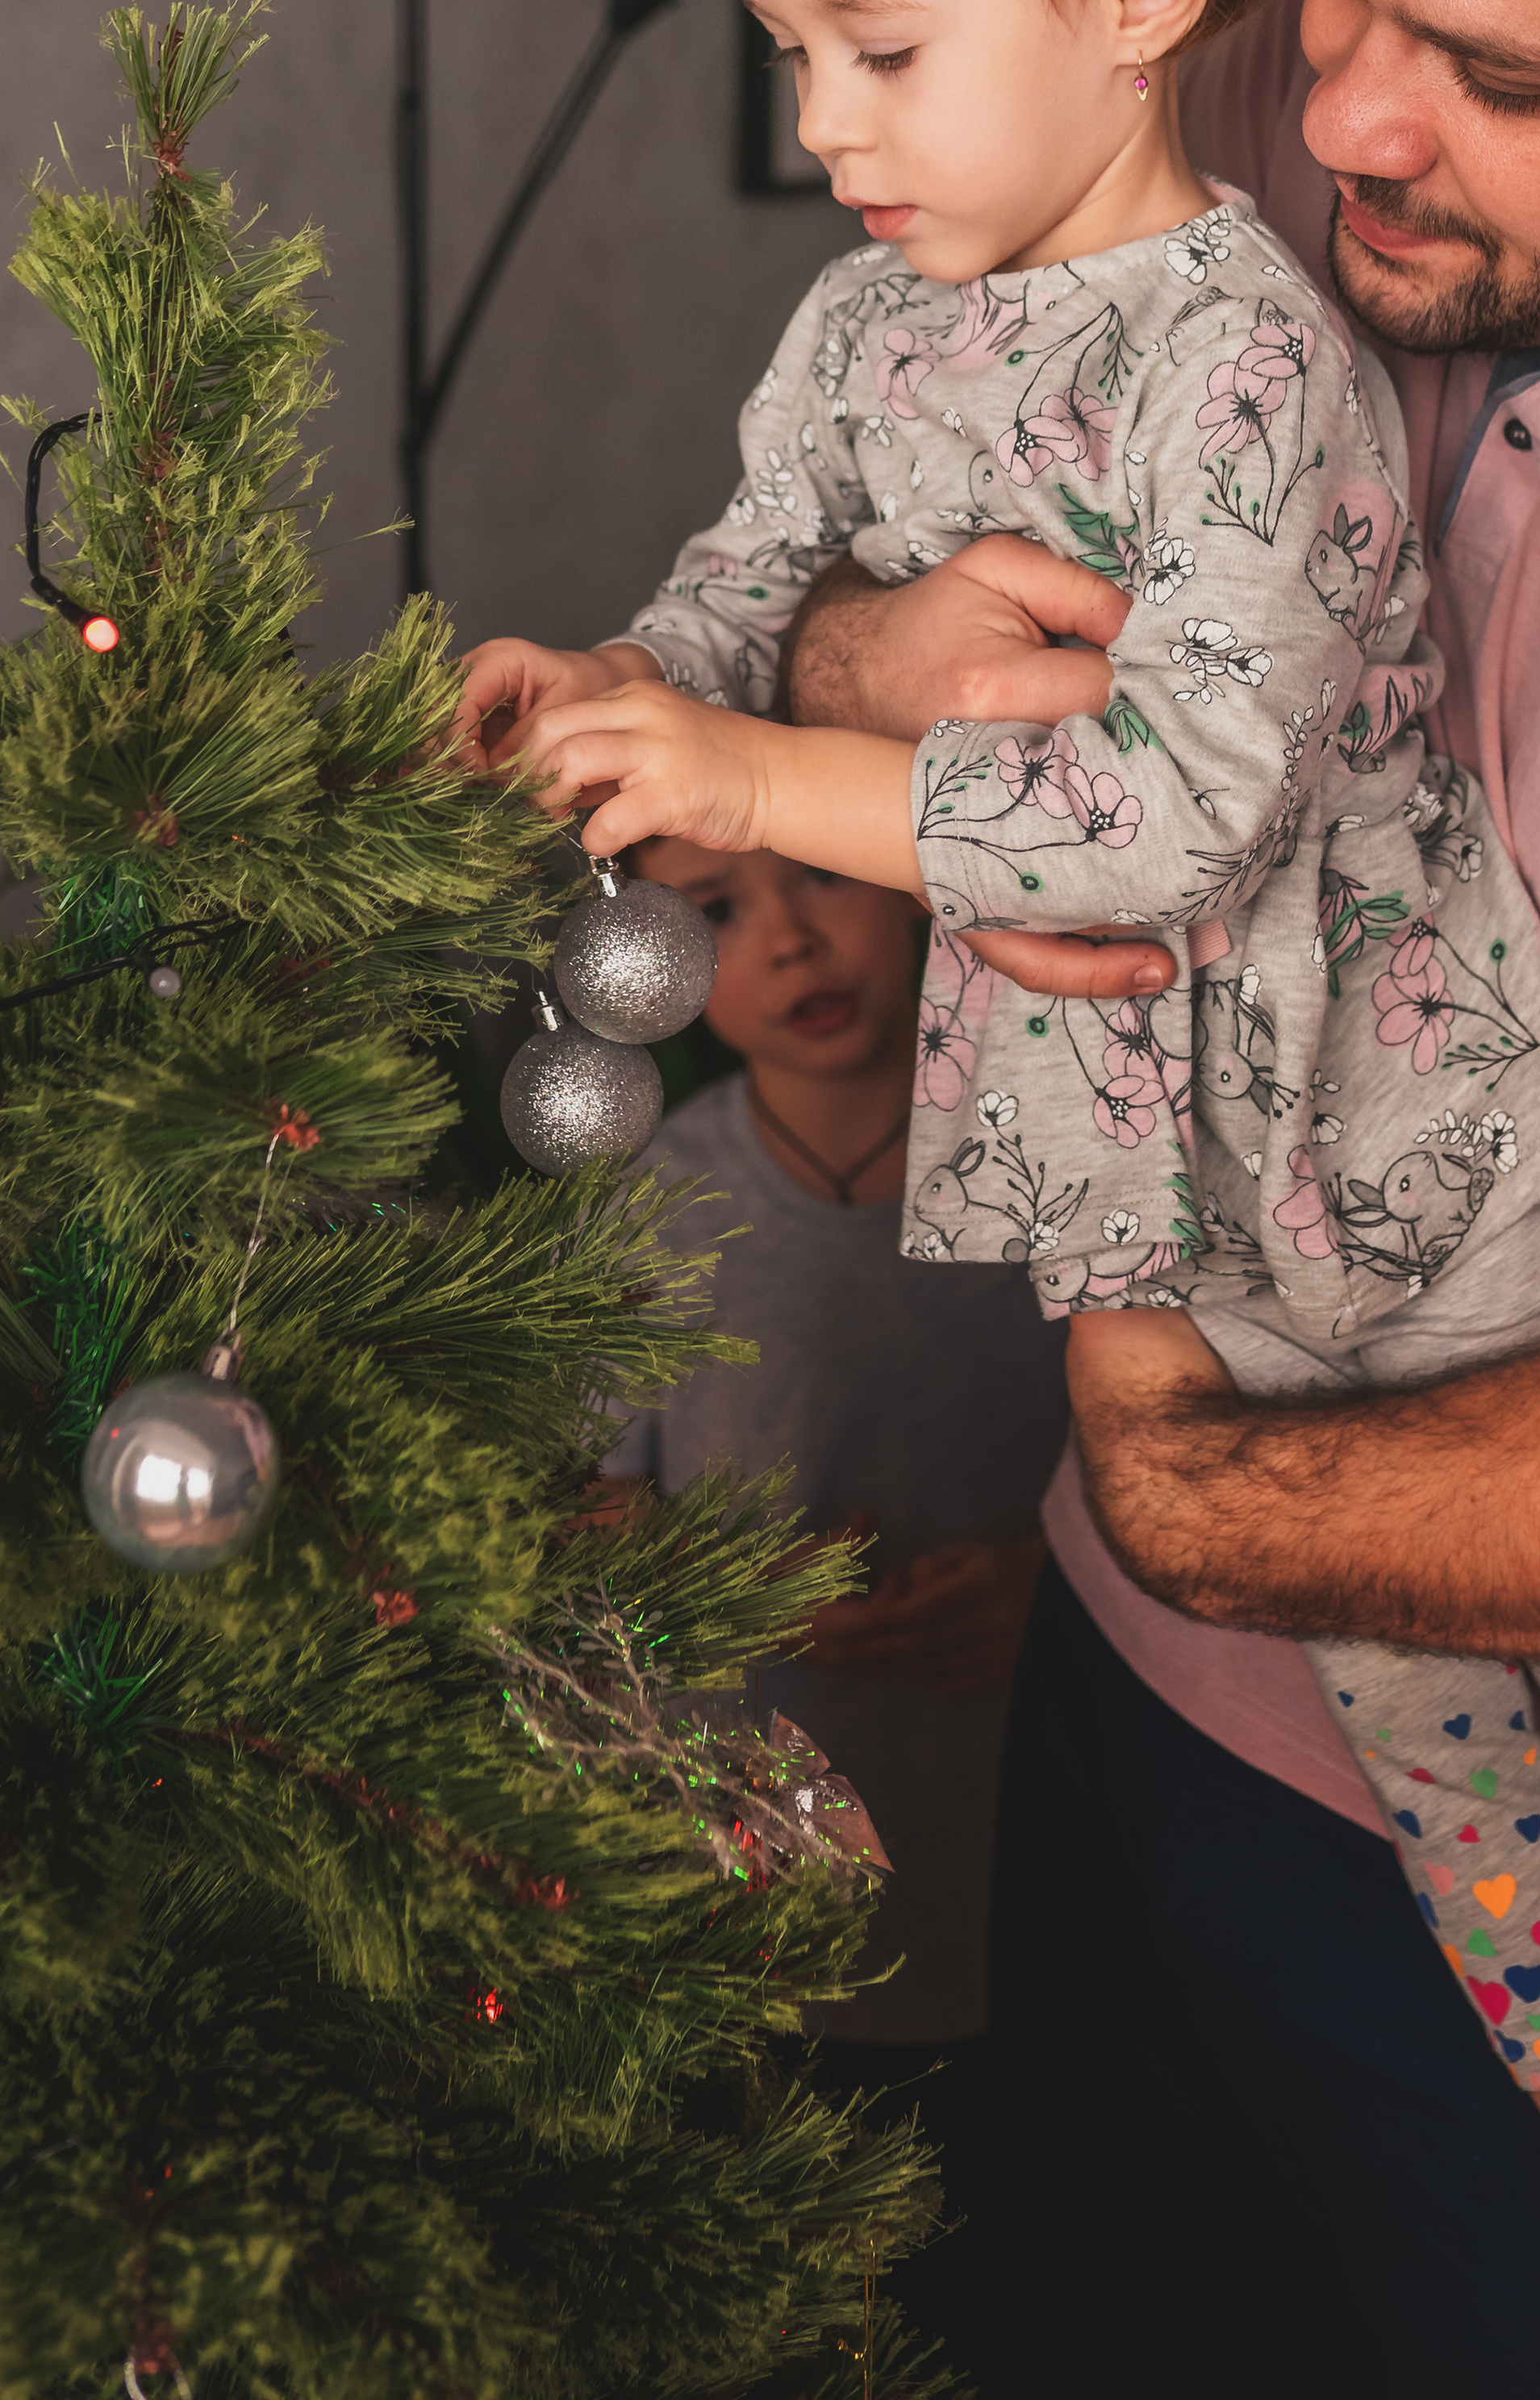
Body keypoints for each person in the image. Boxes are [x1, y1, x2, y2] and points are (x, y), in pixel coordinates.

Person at [454, 0, 1540, 2387]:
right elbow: (825, 561)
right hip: (1147, 1696)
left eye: (1494, 76)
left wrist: (1188, 1477)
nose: (1340, 115)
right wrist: (803, 661)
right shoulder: (1157, 123)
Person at [596, 842, 1067, 2381]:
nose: (792, 940)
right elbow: (569, 1528)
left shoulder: (1055, 1154)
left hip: (1025, 1878)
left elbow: (1175, 1462)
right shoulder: (651, 1206)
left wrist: (1046, 1585)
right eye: (720, 913)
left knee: (1009, 2290)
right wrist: (739, 1577)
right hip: (738, 1901)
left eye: (821, 877)